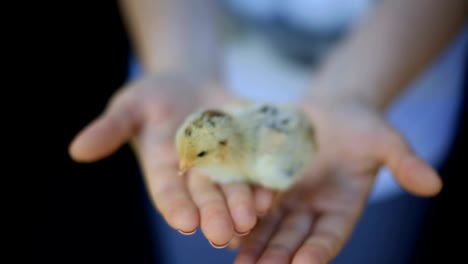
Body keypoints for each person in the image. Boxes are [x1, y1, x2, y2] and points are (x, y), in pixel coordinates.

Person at [68, 0, 467, 263]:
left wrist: (355, 92)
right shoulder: (216, 135)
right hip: (206, 67)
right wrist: (178, 62)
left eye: (199, 156)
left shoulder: (263, 156)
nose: (185, 164)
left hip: (394, 91)